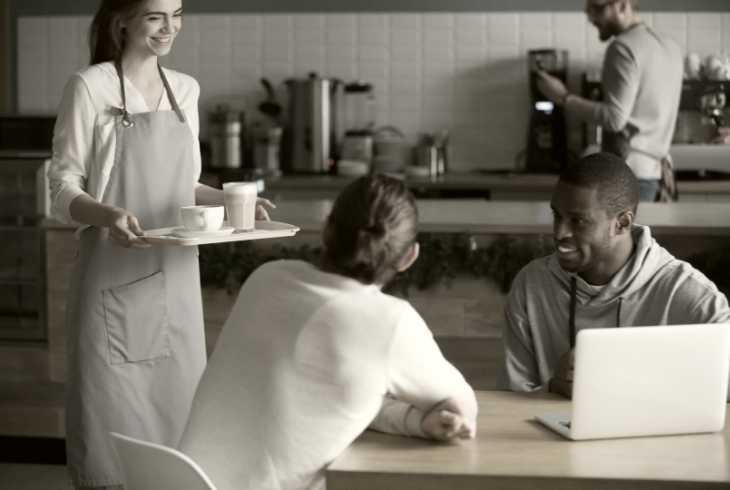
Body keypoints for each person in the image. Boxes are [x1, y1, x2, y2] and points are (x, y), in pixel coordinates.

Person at [47, 1, 271, 488]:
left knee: (179, 413)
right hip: (112, 274)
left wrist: (238, 204)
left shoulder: (184, 89)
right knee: (113, 420)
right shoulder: (90, 87)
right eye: (155, 16)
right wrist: (108, 216)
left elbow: (184, 184)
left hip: (175, 279)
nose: (170, 27)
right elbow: (61, 189)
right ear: (123, 20)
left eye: (178, 13)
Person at [179, 174, 478, 490]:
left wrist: (413, 422)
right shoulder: (389, 322)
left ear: (326, 230)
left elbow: (333, 395)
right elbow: (462, 408)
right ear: (408, 257)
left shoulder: (266, 278)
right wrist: (420, 419)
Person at [498, 152, 730, 397]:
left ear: (622, 223)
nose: (559, 233)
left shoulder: (691, 297)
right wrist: (553, 387)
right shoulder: (532, 284)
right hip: (548, 435)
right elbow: (511, 397)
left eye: (578, 221)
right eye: (557, 216)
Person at [536, 0, 683, 202]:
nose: (590, 17)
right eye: (588, 10)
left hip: (629, 175)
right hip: (660, 175)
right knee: (645, 234)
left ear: (622, 6)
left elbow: (615, 118)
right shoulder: (670, 46)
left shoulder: (623, 47)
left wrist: (563, 97)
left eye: (596, 8)